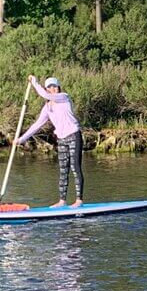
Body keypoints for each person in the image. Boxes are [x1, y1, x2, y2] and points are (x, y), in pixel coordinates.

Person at [14, 75, 85, 208]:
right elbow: (36, 125)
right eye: (49, 87)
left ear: (58, 88)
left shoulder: (64, 97)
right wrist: (21, 139)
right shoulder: (47, 108)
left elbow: (44, 94)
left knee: (75, 167)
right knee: (63, 170)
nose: (52, 89)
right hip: (62, 139)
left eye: (54, 86)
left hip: (74, 135)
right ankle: (62, 201)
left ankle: (79, 200)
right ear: (47, 88)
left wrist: (34, 82)